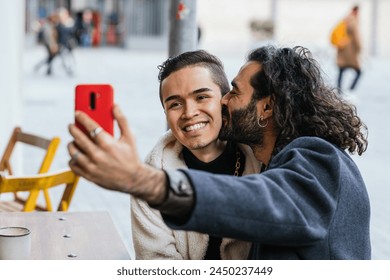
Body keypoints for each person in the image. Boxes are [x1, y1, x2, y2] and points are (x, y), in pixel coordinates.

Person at [67, 45, 370, 259]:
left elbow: (266, 202)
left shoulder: (317, 157)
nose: (224, 102)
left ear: (267, 106)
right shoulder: (272, 161)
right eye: (174, 103)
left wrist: (143, 181)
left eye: (234, 92)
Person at [131, 50, 260, 259]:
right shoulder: (151, 177)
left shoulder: (261, 160)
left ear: (225, 100)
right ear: (166, 114)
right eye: (175, 104)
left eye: (201, 97)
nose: (189, 113)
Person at [334, 5, 362, 93]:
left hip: (343, 49)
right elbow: (356, 37)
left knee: (341, 69)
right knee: (359, 72)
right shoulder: (352, 21)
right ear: (356, 11)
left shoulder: (345, 19)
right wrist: (359, 48)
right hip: (350, 50)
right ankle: (351, 90)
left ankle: (339, 90)